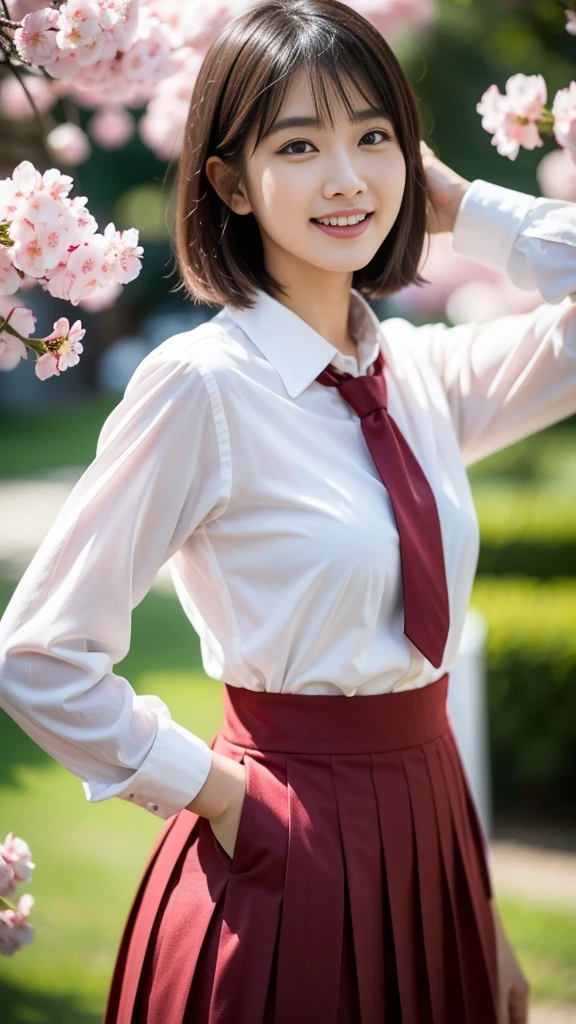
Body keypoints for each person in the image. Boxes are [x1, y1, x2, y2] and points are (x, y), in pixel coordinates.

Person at [1, 0, 574, 1019]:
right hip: (275, 845)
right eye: (300, 145)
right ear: (228, 179)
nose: (347, 177)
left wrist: (465, 206)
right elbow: (38, 653)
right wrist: (215, 791)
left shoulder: (422, 375)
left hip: (433, 831)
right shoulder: (202, 387)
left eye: (372, 137)